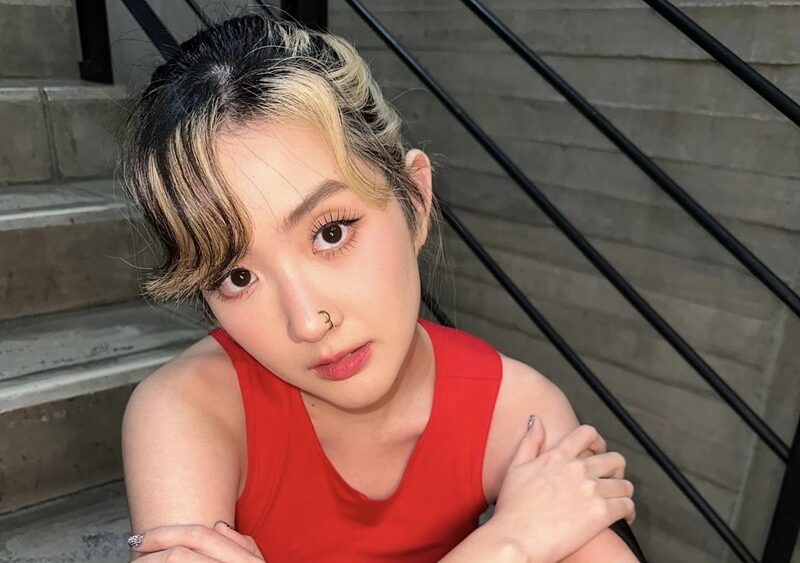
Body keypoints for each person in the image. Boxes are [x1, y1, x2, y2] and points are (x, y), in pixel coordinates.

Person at [118, 12, 641, 563]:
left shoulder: (517, 411)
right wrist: (509, 544)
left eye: (331, 232)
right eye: (237, 276)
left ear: (414, 201)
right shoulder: (188, 411)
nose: (307, 322)